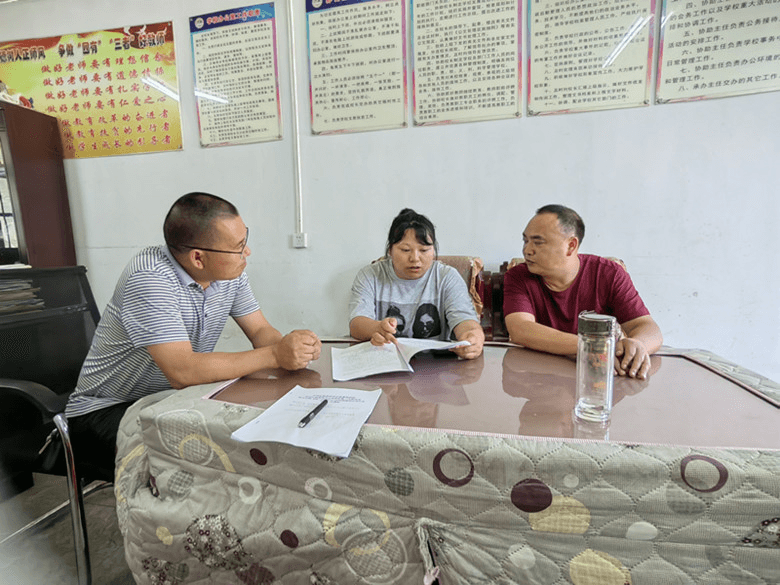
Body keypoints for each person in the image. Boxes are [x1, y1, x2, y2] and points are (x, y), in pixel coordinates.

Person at [65, 192, 321, 480]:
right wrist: (275, 355)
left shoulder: (231, 273)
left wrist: (292, 350)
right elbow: (182, 371)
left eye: (245, 239)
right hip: (106, 411)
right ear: (198, 258)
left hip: (172, 400)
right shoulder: (150, 278)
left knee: (254, 435)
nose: (246, 253)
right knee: (214, 459)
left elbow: (260, 330)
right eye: (238, 247)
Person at [503, 204, 662, 379]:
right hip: (539, 376)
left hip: (598, 377)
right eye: (525, 241)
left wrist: (636, 345)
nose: (527, 250)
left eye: (538, 242)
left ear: (571, 246)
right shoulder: (518, 276)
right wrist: (593, 347)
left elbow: (648, 328)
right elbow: (521, 329)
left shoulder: (609, 274)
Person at [349, 208, 484, 359]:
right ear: (390, 250)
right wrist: (378, 328)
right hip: (386, 363)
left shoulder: (447, 277)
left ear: (433, 251)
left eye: (424, 250)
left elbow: (465, 320)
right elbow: (356, 324)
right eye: (405, 250)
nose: (415, 258)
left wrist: (473, 337)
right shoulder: (370, 276)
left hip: (436, 368)